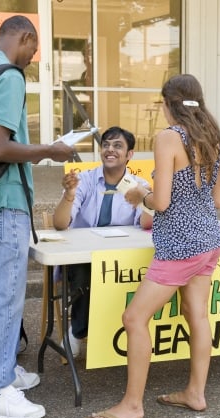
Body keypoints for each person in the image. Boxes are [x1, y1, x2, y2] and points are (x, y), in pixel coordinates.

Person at [81, 74, 220, 418]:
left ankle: (132, 404)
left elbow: (161, 202)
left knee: (134, 319)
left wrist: (139, 195)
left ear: (168, 104)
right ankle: (195, 392)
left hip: (179, 246)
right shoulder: (214, 140)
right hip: (209, 240)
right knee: (197, 316)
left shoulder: (169, 137)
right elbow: (216, 201)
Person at [0, 16, 74, 418]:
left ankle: (4, 373)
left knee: (0, 294)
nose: (32, 58)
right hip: (3, 201)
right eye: (34, 49)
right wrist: (49, 150)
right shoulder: (8, 76)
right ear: (25, 37)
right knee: (2, 298)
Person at [52, 126, 153, 357]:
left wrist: (146, 197)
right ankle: (78, 331)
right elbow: (60, 224)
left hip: (123, 256)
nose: (110, 149)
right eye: (106, 145)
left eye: (117, 146)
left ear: (129, 155)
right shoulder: (84, 180)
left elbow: (147, 224)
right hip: (84, 258)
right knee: (85, 270)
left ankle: (125, 330)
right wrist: (69, 194)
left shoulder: (138, 183)